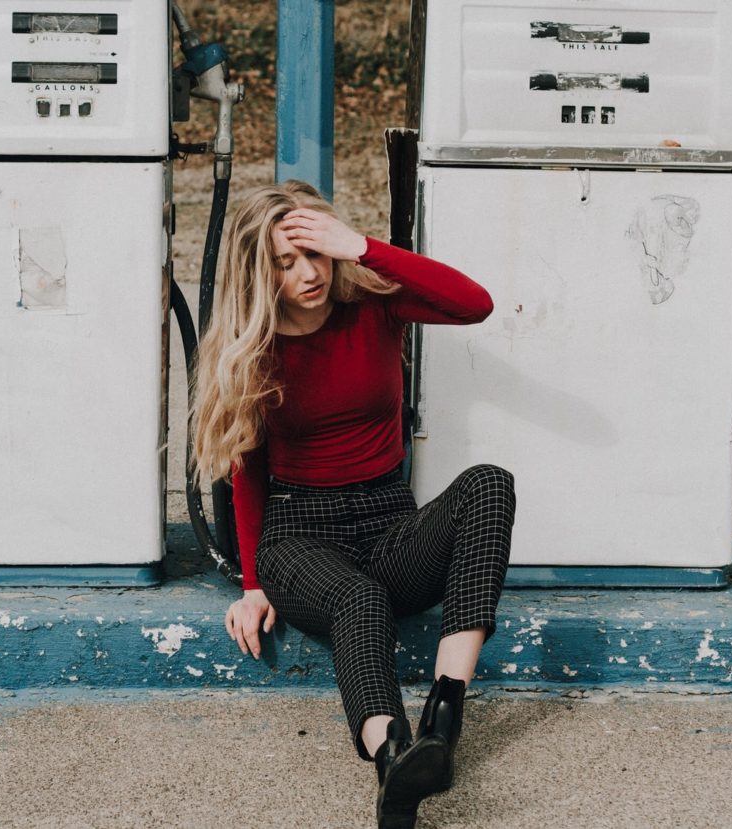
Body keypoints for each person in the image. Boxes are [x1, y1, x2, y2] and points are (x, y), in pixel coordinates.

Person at [192, 180, 515, 828]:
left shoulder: (373, 302)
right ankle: (391, 755)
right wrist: (255, 583)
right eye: (286, 262)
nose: (308, 273)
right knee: (358, 599)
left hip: (389, 520)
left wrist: (363, 247)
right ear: (260, 271)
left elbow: (474, 303)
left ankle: (442, 721)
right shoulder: (254, 349)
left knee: (490, 483)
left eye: (315, 252)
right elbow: (248, 470)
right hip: (298, 534)